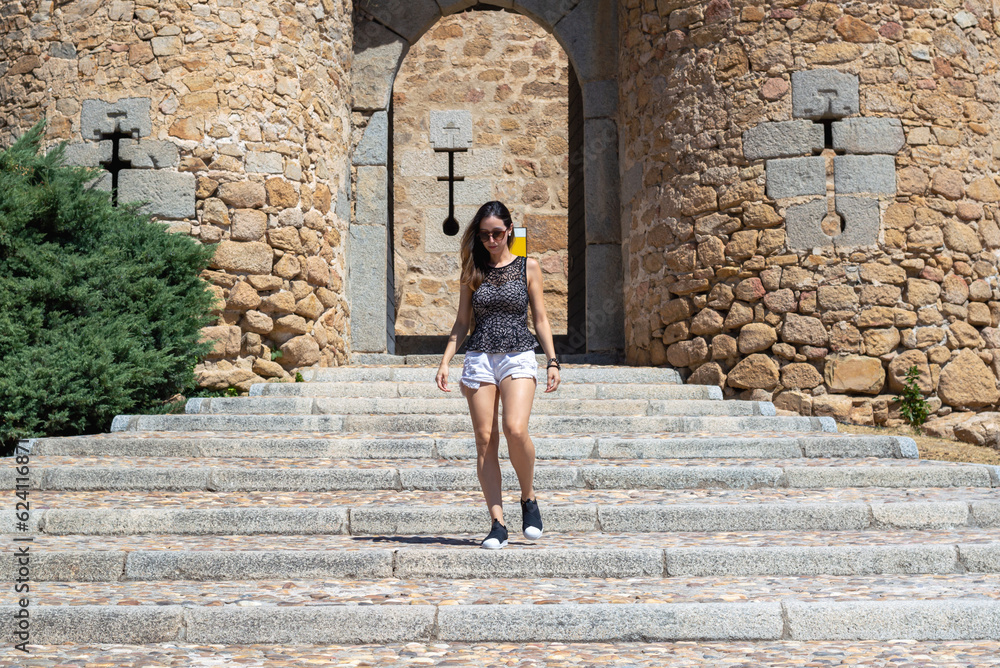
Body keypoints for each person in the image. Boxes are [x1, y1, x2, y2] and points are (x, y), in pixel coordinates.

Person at [436, 201, 561, 550]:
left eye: (497, 233)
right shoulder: (472, 270)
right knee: (485, 440)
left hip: (518, 353)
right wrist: (446, 361)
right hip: (479, 356)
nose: (491, 240)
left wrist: (552, 361)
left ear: (509, 230)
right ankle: (497, 523)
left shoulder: (528, 267)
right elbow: (462, 323)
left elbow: (540, 319)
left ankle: (528, 497)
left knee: (515, 428)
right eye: (484, 234)